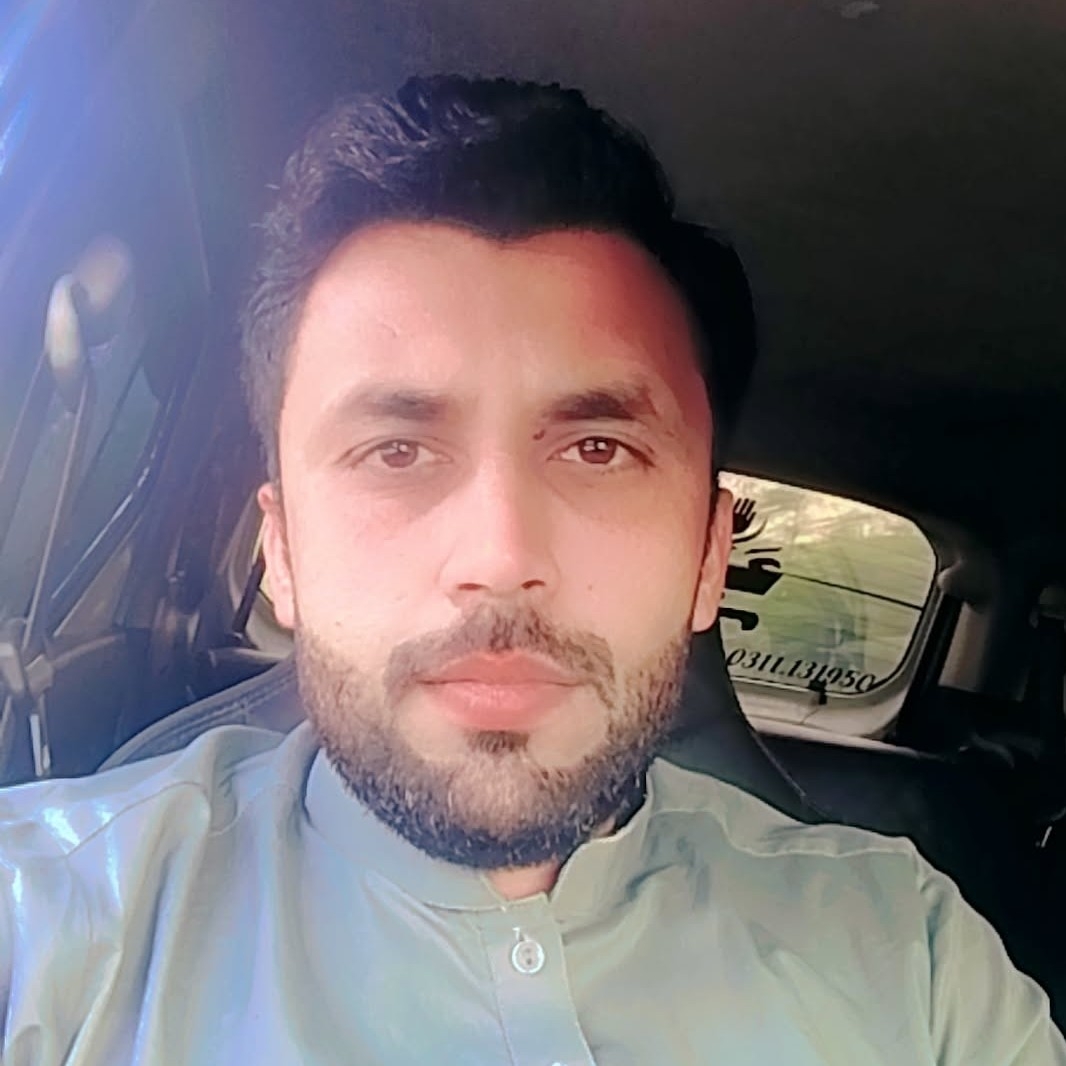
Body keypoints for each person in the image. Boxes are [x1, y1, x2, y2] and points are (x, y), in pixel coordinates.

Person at [0, 74, 1062, 1065]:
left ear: (708, 556)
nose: (500, 558)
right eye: (395, 451)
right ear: (280, 551)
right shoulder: (47, 931)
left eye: (598, 449)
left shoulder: (913, 962)